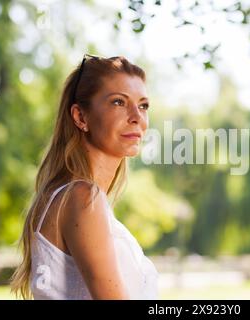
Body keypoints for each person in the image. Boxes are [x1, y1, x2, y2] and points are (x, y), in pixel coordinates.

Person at [10, 54, 158, 300]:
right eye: (119, 102)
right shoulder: (82, 197)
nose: (137, 117)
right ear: (80, 117)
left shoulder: (74, 196)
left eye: (143, 105)